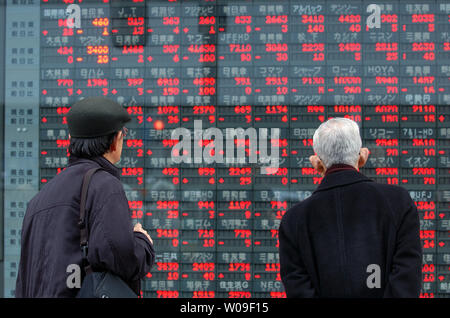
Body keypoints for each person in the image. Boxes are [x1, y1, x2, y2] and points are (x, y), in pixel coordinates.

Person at [16, 97, 155, 297]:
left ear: (72, 138)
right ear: (115, 141)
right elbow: (120, 258)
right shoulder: (104, 185)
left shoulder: (39, 200)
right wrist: (142, 242)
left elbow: (25, 279)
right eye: (123, 134)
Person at [278, 117, 422, 298]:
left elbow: (298, 287)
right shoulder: (397, 202)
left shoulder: (293, 220)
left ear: (316, 163)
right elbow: (406, 276)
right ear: (362, 156)